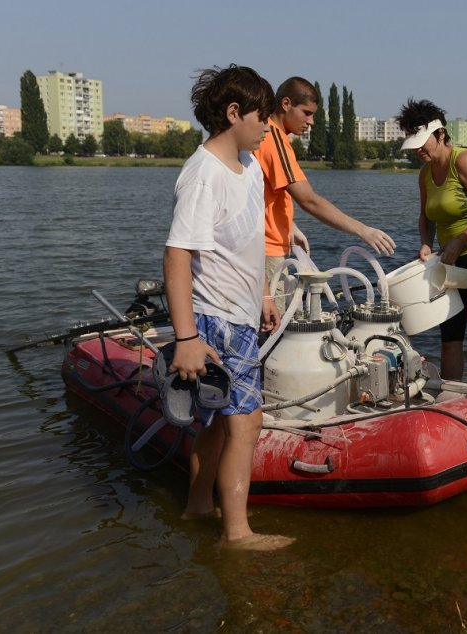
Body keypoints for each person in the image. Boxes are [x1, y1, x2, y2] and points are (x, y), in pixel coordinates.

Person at [163, 64, 294, 550]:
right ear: (234, 113)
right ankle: (237, 535)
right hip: (212, 319)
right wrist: (185, 338)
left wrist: (262, 294)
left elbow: (249, 243)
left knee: (222, 421)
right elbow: (177, 256)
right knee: (246, 422)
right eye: (262, 117)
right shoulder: (204, 174)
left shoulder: (251, 166)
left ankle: (198, 507)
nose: (267, 128)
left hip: (240, 315)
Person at [396, 99, 467, 390]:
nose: (418, 149)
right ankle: (452, 402)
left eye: (423, 141)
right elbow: (425, 217)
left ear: (440, 134)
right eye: (414, 143)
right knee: (450, 340)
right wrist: (425, 243)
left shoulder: (463, 160)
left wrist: (461, 239)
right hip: (450, 263)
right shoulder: (424, 175)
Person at [254, 77, 395, 310]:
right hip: (267, 253)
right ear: (286, 104)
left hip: (269, 247)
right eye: (306, 113)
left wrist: (289, 227)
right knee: (271, 330)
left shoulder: (270, 138)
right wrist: (363, 231)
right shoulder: (274, 140)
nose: (311, 122)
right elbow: (309, 200)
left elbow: (266, 193)